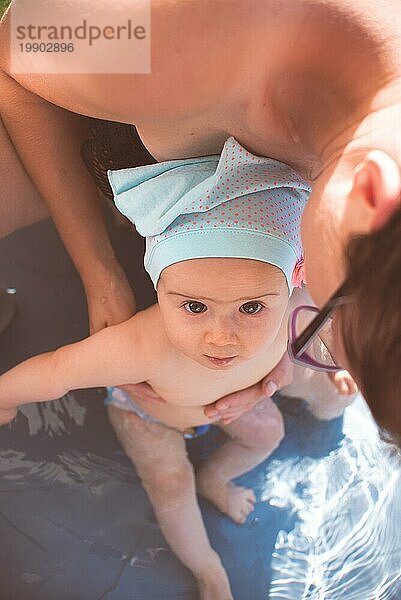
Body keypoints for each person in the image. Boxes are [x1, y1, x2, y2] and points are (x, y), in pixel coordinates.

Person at [0, 0, 400, 436]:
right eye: (322, 321)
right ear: (369, 196)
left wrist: (280, 357)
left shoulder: (372, 148)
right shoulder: (183, 41)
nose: (302, 308)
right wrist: (98, 268)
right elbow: (15, 55)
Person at [0, 142, 357, 599]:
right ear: (159, 285)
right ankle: (209, 568)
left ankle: (217, 479)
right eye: (193, 306)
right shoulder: (143, 345)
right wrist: (6, 395)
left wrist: (332, 365)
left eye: (250, 308)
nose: (220, 336)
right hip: (150, 416)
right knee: (170, 485)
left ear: (289, 282)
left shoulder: (292, 303)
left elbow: (326, 316)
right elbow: (58, 370)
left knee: (269, 433)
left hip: (229, 407)